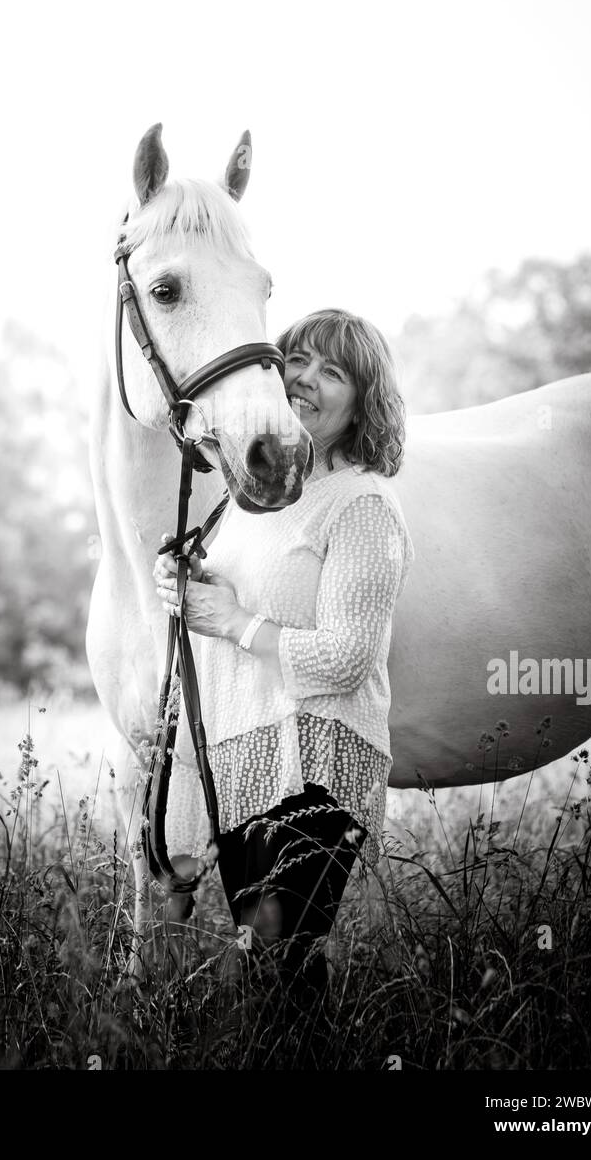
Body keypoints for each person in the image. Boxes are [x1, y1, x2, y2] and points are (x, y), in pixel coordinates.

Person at [153, 308, 414, 1010]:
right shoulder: (252, 497)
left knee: (282, 967)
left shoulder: (362, 505)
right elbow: (229, 603)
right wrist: (188, 592)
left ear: (363, 404)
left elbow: (345, 658)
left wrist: (236, 623)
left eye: (333, 372)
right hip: (246, 766)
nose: (304, 379)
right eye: (295, 359)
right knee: (267, 977)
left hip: (314, 771)